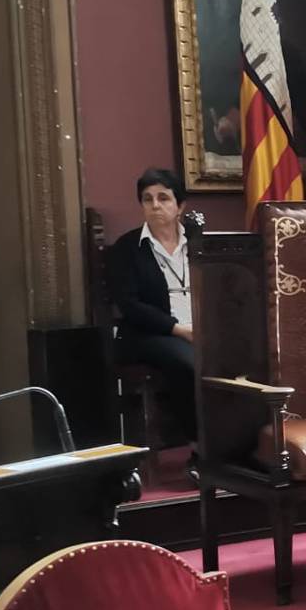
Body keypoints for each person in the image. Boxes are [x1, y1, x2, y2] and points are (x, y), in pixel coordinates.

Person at [106, 168, 196, 441]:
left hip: (200, 329)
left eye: (163, 198)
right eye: (147, 199)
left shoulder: (199, 242)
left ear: (180, 205)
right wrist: (179, 330)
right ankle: (199, 448)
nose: (155, 205)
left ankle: (240, 444)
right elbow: (130, 305)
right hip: (147, 335)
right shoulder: (128, 247)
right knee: (191, 363)